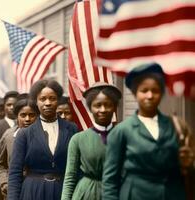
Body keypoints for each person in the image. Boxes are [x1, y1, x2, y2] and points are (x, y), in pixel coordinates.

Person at [102, 63, 187, 200]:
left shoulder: (174, 126)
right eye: (144, 90)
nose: (150, 95)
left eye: (155, 90)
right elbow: (110, 180)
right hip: (136, 195)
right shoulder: (122, 131)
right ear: (135, 93)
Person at [7, 79, 78, 200]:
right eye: (42, 99)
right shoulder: (25, 134)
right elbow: (15, 173)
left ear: (58, 100)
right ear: (36, 101)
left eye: (52, 98)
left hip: (62, 192)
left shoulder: (71, 129)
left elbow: (77, 168)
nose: (48, 103)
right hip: (33, 191)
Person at [61, 82, 122, 200]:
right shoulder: (78, 139)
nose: (103, 110)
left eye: (108, 105)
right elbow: (70, 177)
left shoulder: (124, 136)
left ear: (114, 107)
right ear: (90, 108)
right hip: (86, 194)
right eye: (97, 105)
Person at [0, 94, 38, 199]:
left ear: (37, 116)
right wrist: (4, 182)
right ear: (17, 117)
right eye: (23, 115)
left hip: (37, 191)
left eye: (31, 115)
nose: (27, 119)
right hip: (13, 191)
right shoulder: (9, 135)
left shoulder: (44, 136)